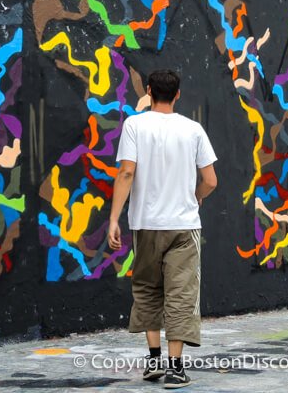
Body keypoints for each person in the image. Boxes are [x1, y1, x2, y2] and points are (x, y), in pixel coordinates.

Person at [108, 69, 218, 389]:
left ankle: (153, 359)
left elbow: (127, 173)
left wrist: (115, 218)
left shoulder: (134, 125)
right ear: (178, 95)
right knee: (180, 296)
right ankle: (176, 369)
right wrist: (196, 197)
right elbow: (211, 180)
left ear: (149, 90)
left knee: (147, 291)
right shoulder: (193, 129)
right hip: (184, 226)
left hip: (145, 225)